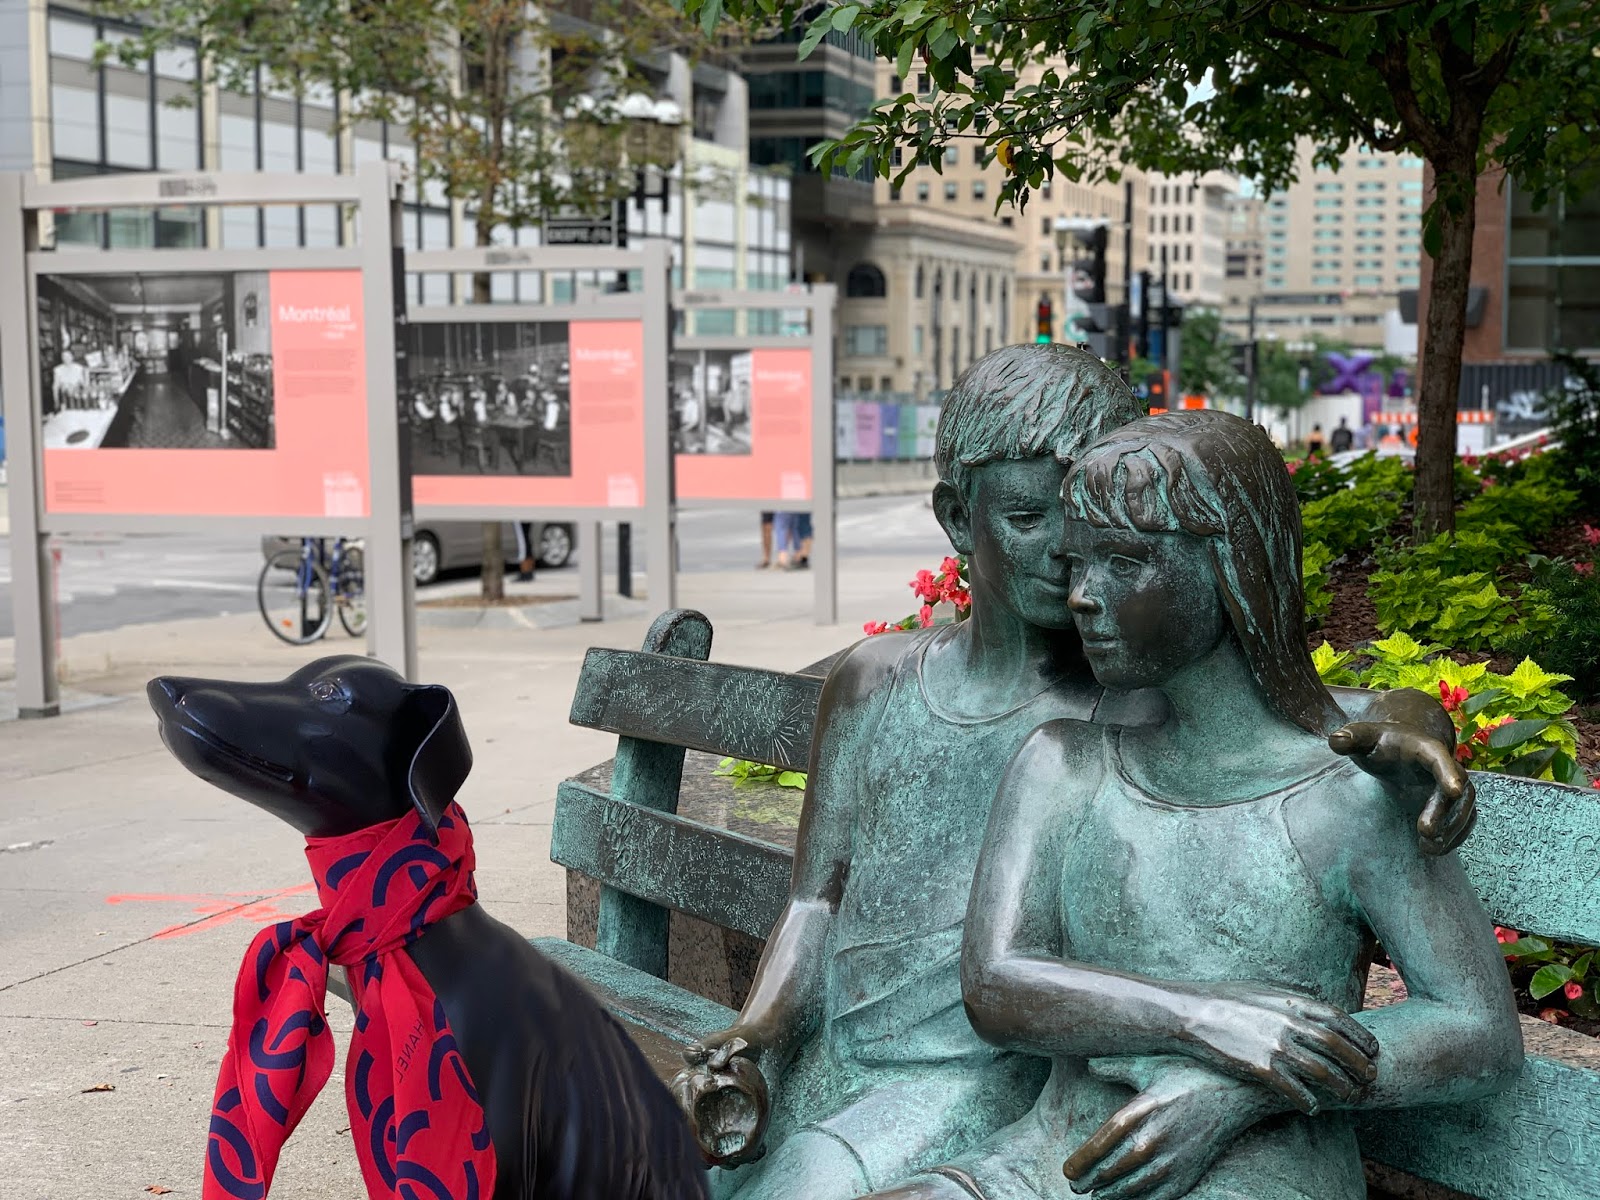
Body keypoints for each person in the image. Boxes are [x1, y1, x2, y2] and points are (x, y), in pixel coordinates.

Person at [678, 345, 1474, 1200]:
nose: (1066, 554)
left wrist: (1415, 714)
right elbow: (817, 902)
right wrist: (753, 1037)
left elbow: (1302, 718)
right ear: (958, 518)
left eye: (1090, 525)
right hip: (835, 1060)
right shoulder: (875, 682)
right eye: (1031, 518)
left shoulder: (1130, 702)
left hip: (983, 1090)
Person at [874, 411, 1520, 1200]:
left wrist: (1239, 1088)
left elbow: (1476, 1029)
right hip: (1047, 1164)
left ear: (1232, 566)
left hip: (1257, 1177)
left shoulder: (1354, 790)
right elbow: (998, 985)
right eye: (1078, 562)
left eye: (1123, 562)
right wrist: (1206, 1022)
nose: (1081, 595)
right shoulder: (1063, 765)